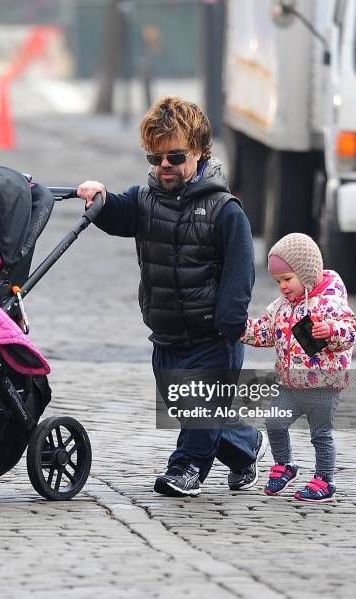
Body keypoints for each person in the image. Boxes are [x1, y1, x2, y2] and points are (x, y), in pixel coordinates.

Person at [77, 96, 266, 497]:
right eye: (155, 157)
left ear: (198, 151)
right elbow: (117, 214)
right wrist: (100, 196)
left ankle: (185, 471)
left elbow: (240, 270)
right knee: (190, 412)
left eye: (175, 157)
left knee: (200, 412)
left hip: (213, 336)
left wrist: (230, 323)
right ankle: (244, 445)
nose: (164, 166)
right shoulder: (145, 201)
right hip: (165, 334)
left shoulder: (224, 210)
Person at [240, 233, 356, 502]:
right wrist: (239, 328)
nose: (282, 286)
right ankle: (285, 464)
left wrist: (330, 331)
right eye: (278, 281)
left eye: (287, 279)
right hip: (290, 385)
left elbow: (350, 331)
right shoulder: (281, 307)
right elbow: (265, 332)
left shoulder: (331, 302)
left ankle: (325, 480)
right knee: (274, 421)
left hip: (323, 385)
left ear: (306, 274)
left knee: (321, 434)